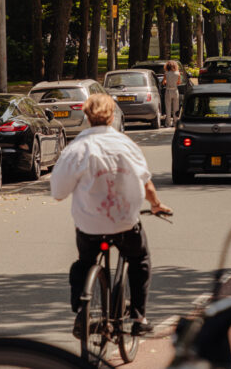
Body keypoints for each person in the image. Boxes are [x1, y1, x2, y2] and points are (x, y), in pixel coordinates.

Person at [50, 93, 173, 339]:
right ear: (113, 116)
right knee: (140, 260)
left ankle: (82, 309)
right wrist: (157, 204)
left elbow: (59, 192)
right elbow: (147, 186)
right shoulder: (127, 145)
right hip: (126, 222)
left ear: (86, 116)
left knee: (84, 264)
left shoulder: (76, 149)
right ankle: (139, 317)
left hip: (89, 226)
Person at [163, 61, 181, 125]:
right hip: (175, 90)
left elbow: (164, 82)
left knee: (168, 107)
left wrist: (166, 82)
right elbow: (179, 82)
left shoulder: (166, 73)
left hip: (168, 91)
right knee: (176, 108)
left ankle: (168, 123)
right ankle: (175, 122)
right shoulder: (178, 73)